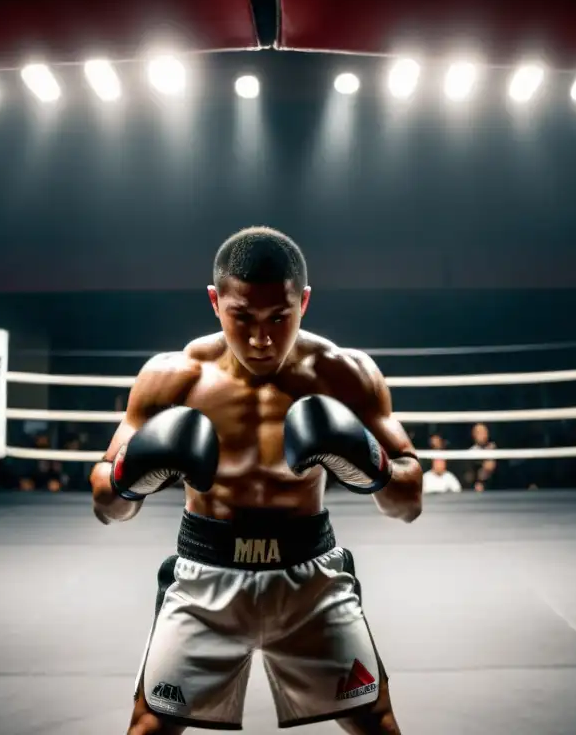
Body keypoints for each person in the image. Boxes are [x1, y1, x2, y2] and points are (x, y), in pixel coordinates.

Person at [90, 227, 422, 734]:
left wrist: (369, 462)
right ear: (214, 302)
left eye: (279, 317)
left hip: (310, 575)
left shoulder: (344, 374)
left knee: (376, 724)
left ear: (305, 302)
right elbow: (106, 504)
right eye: (241, 317)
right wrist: (131, 474)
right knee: (148, 729)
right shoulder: (173, 377)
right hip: (205, 577)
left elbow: (408, 501)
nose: (261, 339)